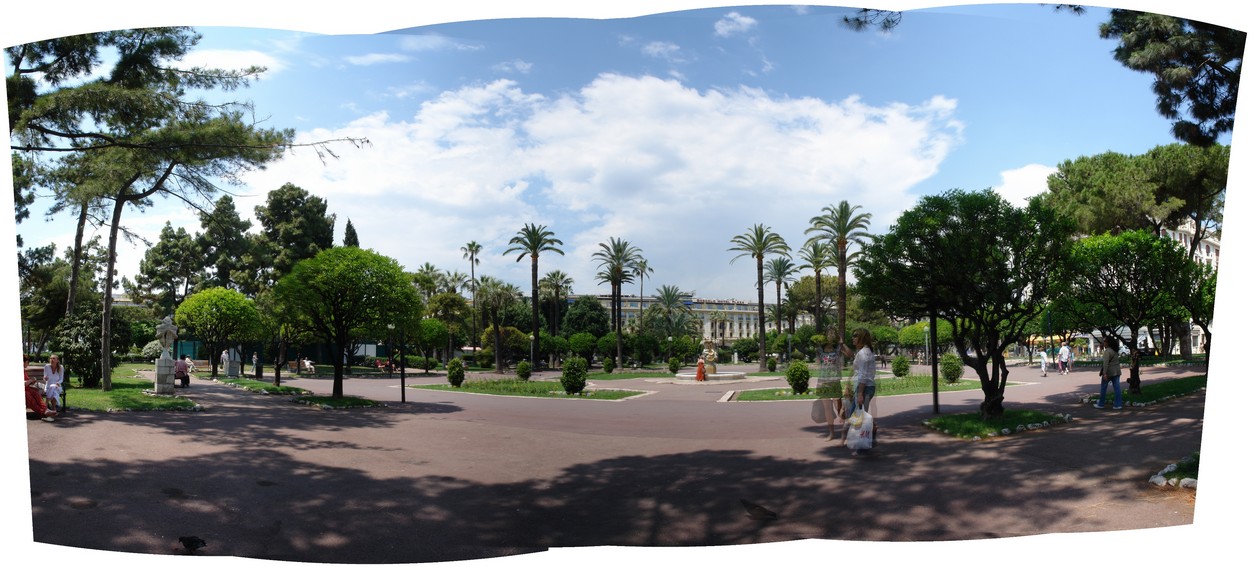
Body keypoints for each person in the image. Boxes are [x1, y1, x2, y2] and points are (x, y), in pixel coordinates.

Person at [839, 327, 877, 455]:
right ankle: (869, 439)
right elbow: (854, 362)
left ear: (862, 338)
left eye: (856, 335)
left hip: (864, 387)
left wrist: (860, 393)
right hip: (862, 387)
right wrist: (842, 344)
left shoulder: (864, 354)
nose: (853, 338)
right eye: (853, 335)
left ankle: (862, 446)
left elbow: (864, 376)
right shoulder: (862, 352)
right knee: (858, 414)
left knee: (858, 416)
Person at [1094, 336, 1123, 410]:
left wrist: (1104, 373)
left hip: (1109, 372)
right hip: (1117, 371)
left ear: (1108, 342)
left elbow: (1105, 363)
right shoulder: (1115, 350)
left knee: (1103, 388)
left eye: (1105, 341)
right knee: (1117, 388)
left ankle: (1101, 403)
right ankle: (1118, 404)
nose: (1104, 343)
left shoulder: (1107, 351)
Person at [23, 355, 54, 422]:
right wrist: (30, 381)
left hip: (28, 389)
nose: (28, 364)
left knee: (36, 394)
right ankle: (44, 412)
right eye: (27, 362)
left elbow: (27, 381)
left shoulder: (23, 371)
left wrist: (32, 381)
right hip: (24, 390)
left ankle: (45, 410)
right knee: (29, 397)